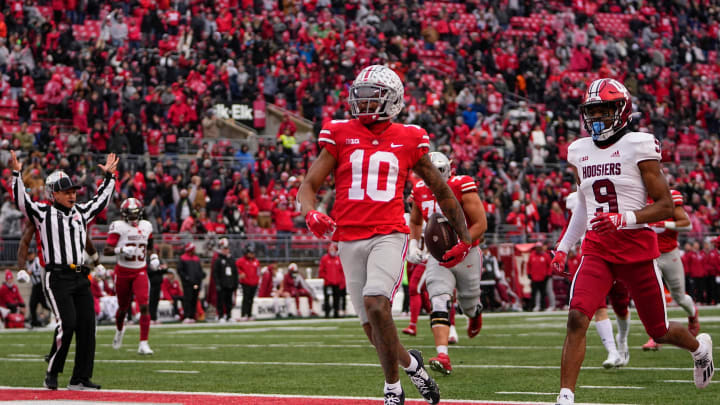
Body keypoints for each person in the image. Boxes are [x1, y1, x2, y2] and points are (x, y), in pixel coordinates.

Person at [298, 65, 471, 405]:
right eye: (359, 97)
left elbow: (441, 189)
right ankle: (412, 365)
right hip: (348, 236)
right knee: (370, 327)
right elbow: (309, 185)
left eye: (371, 98)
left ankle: (392, 388)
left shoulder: (409, 137)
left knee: (377, 304)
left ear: (392, 101)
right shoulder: (339, 133)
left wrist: (464, 237)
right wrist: (310, 212)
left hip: (389, 233)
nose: (362, 104)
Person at [550, 79, 714, 405]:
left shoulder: (638, 145)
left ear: (621, 110)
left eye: (604, 110)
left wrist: (623, 218)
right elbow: (584, 206)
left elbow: (665, 205)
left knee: (659, 330)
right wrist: (563, 246)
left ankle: (700, 348)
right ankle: (565, 397)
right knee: (577, 317)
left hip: (636, 247)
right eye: (591, 111)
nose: (596, 117)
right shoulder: (579, 150)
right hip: (597, 247)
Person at [11, 150, 118, 391]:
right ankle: (52, 371)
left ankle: (80, 378)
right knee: (67, 323)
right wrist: (17, 174)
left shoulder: (80, 213)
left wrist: (110, 178)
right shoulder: (43, 213)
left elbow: (101, 201)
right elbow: (22, 202)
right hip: (56, 276)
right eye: (66, 192)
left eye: (73, 191)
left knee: (88, 327)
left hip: (80, 274)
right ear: (53, 194)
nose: (72, 195)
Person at [406, 151, 487, 375]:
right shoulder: (420, 190)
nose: (432, 176)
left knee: (469, 303)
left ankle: (474, 312)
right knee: (439, 298)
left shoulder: (462, 185)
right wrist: (414, 244)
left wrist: (463, 244)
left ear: (447, 170)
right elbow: (415, 221)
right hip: (439, 256)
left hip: (467, 253)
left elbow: (481, 223)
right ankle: (443, 354)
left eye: (437, 172)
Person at [642, 189, 698, 350]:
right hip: (650, 255)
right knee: (654, 295)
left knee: (679, 297)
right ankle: (656, 336)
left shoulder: (670, 196)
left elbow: (687, 225)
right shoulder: (637, 196)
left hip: (669, 253)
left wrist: (665, 223)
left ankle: (693, 314)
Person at [104, 197, 156, 355]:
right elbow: (106, 250)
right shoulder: (118, 227)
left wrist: (154, 257)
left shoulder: (146, 226)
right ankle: (119, 331)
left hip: (140, 270)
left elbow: (151, 246)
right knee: (123, 308)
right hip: (123, 272)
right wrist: (121, 250)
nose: (133, 218)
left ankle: (143, 343)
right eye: (130, 214)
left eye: (135, 214)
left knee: (144, 305)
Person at [177, 242, 204, 323]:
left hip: (196, 283)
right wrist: (186, 278)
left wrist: (201, 276)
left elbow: (199, 270)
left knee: (194, 299)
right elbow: (180, 271)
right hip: (187, 284)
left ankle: (192, 315)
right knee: (187, 299)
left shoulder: (196, 258)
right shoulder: (183, 258)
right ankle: (187, 316)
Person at [213, 238, 238, 323]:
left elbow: (235, 272)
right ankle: (220, 316)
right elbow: (215, 273)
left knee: (229, 302)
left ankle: (229, 315)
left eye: (227, 249)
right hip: (222, 284)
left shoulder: (231, 260)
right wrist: (217, 284)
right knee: (220, 301)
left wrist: (235, 283)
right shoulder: (218, 260)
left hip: (230, 284)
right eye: (224, 249)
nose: (226, 250)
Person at [318, 242, 344, 318]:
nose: (332, 251)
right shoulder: (325, 259)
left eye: (333, 249)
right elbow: (321, 271)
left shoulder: (338, 259)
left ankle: (336, 313)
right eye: (330, 249)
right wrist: (326, 278)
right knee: (327, 298)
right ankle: (327, 313)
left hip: (337, 282)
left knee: (337, 298)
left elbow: (341, 271)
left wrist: (341, 281)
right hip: (328, 283)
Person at [236, 245, 259, 321]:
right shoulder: (241, 261)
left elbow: (257, 272)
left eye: (253, 253)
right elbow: (235, 267)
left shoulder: (256, 261)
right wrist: (240, 273)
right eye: (250, 253)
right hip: (245, 282)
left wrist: (257, 280)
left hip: (254, 283)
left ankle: (249, 314)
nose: (252, 254)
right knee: (246, 299)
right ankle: (243, 314)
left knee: (251, 299)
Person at [147, 253, 168, 323]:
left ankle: (154, 317)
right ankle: (150, 318)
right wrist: (157, 269)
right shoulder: (148, 264)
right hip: (151, 285)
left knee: (156, 301)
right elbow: (149, 271)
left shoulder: (159, 263)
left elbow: (165, 270)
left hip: (158, 285)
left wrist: (160, 268)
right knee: (151, 301)